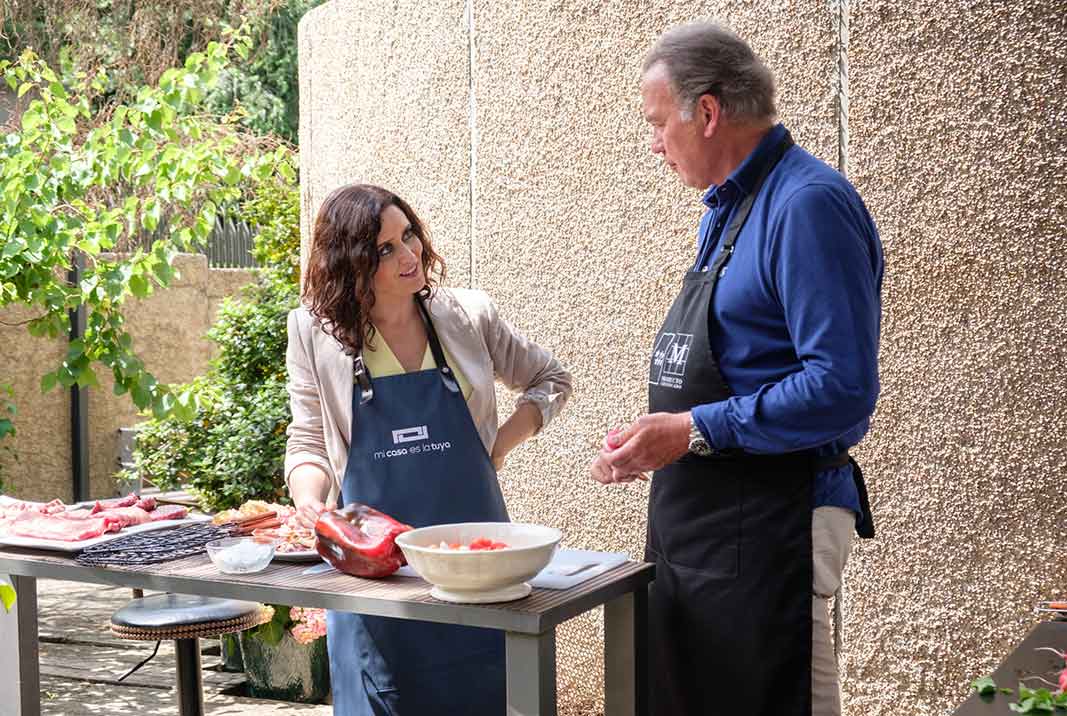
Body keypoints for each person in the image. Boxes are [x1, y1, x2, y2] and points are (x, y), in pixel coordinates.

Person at [590, 22, 882, 716]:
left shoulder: (807, 205)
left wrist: (692, 429)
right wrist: (654, 439)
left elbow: (842, 390)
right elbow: (740, 360)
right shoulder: (724, 212)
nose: (653, 143)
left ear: (709, 112)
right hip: (704, 527)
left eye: (659, 124)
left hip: (777, 525)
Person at [285, 183, 572, 715]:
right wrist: (310, 499)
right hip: (374, 575)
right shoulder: (313, 332)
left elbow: (550, 379)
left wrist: (499, 443)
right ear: (350, 262)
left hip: (473, 571)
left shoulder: (467, 315)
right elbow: (307, 438)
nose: (410, 254)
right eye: (386, 248)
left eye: (409, 234)